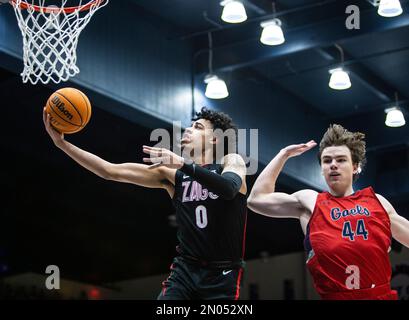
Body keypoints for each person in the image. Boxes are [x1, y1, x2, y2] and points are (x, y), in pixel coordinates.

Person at [43, 106, 247, 300]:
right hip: (185, 270)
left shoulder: (231, 161)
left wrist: (184, 164)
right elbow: (109, 171)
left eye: (197, 127)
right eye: (191, 125)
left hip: (222, 273)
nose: (188, 129)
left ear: (215, 139)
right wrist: (61, 144)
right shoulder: (173, 176)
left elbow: (228, 189)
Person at [247, 124, 409, 300]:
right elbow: (256, 200)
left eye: (340, 160)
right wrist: (283, 155)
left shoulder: (378, 203)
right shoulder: (310, 202)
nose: (333, 165)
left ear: (355, 167)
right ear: (322, 169)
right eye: (327, 161)